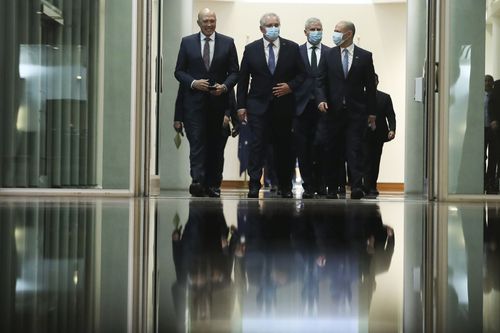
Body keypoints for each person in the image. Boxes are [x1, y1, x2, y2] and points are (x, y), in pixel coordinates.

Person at [237, 12, 306, 198]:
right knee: (257, 146)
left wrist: (290, 86)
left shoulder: (291, 47)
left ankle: (285, 186)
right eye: (270, 25)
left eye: (276, 24)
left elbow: (302, 75)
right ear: (261, 29)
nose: (274, 28)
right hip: (258, 106)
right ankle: (254, 184)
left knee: (283, 147)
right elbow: (243, 79)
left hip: (284, 107)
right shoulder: (251, 49)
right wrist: (241, 106)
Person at [174, 8, 239, 197]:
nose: (209, 24)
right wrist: (194, 83)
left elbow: (235, 72)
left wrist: (225, 87)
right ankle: (198, 180)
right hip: (194, 106)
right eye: (206, 21)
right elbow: (179, 72)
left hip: (219, 105)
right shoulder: (187, 43)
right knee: (197, 145)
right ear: (198, 23)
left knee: (215, 147)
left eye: (212, 20)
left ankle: (213, 184)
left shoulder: (228, 43)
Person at [316, 20, 376, 199]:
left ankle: (356, 187)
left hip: (356, 112)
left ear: (348, 34)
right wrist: (321, 100)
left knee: (354, 150)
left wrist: (372, 113)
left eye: (337, 31)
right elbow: (320, 81)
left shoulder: (365, 56)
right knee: (332, 151)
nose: (334, 34)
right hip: (332, 112)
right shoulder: (328, 55)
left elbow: (370, 87)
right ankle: (333, 188)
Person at [294, 18, 330, 198]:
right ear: (305, 32)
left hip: (323, 108)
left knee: (322, 147)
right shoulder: (296, 52)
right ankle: (308, 185)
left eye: (319, 29)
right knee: (303, 148)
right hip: (301, 108)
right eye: (312, 29)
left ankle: (321, 184)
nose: (316, 32)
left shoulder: (330, 53)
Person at [363, 73, 396, 198]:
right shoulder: (361, 97)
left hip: (379, 134)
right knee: (364, 160)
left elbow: (391, 115)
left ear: (377, 82)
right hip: (363, 134)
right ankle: (365, 185)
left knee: (375, 160)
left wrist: (392, 129)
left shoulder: (385, 97)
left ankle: (372, 186)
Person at [486, 75, 500, 194]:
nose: (487, 83)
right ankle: (487, 181)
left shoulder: (495, 93)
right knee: (486, 156)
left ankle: (492, 181)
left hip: (494, 129)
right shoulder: (497, 86)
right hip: (487, 129)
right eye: (485, 80)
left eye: (489, 81)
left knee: (494, 156)